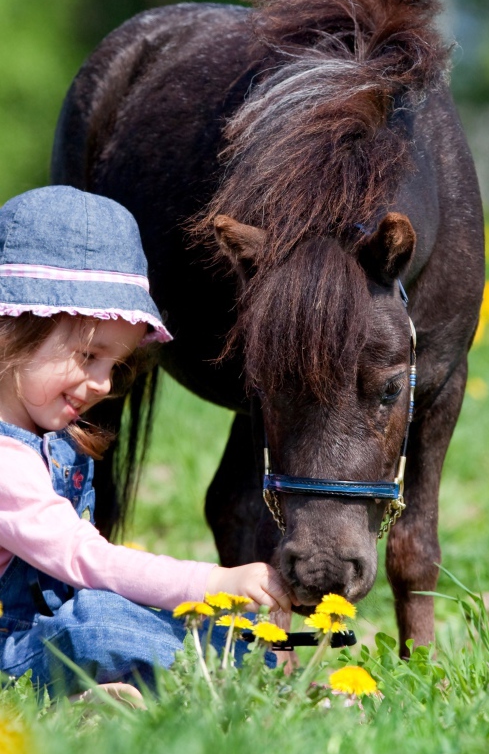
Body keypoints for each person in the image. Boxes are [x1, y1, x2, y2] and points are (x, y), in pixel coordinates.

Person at [0, 186, 290, 698]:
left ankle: (243, 669)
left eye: (115, 364)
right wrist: (215, 583)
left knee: (114, 614)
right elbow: (84, 558)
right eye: (90, 356)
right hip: (12, 653)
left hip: (42, 635)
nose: (105, 384)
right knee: (98, 623)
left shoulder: (46, 437)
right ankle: (257, 677)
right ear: (12, 327)